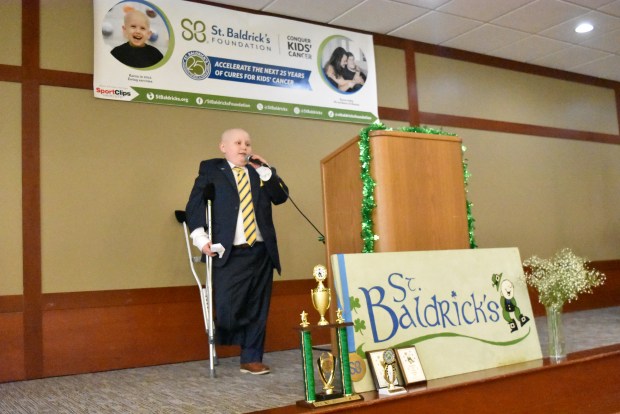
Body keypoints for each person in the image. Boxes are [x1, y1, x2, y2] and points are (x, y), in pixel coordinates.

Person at [185, 128, 289, 375]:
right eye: (238, 143)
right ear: (224, 147)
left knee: (258, 307)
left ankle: (251, 358)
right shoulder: (212, 170)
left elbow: (282, 197)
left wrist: (266, 170)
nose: (244, 147)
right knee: (228, 308)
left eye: (248, 143)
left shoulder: (259, 173)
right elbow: (194, 206)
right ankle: (234, 337)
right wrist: (200, 239)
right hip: (229, 251)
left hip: (261, 249)